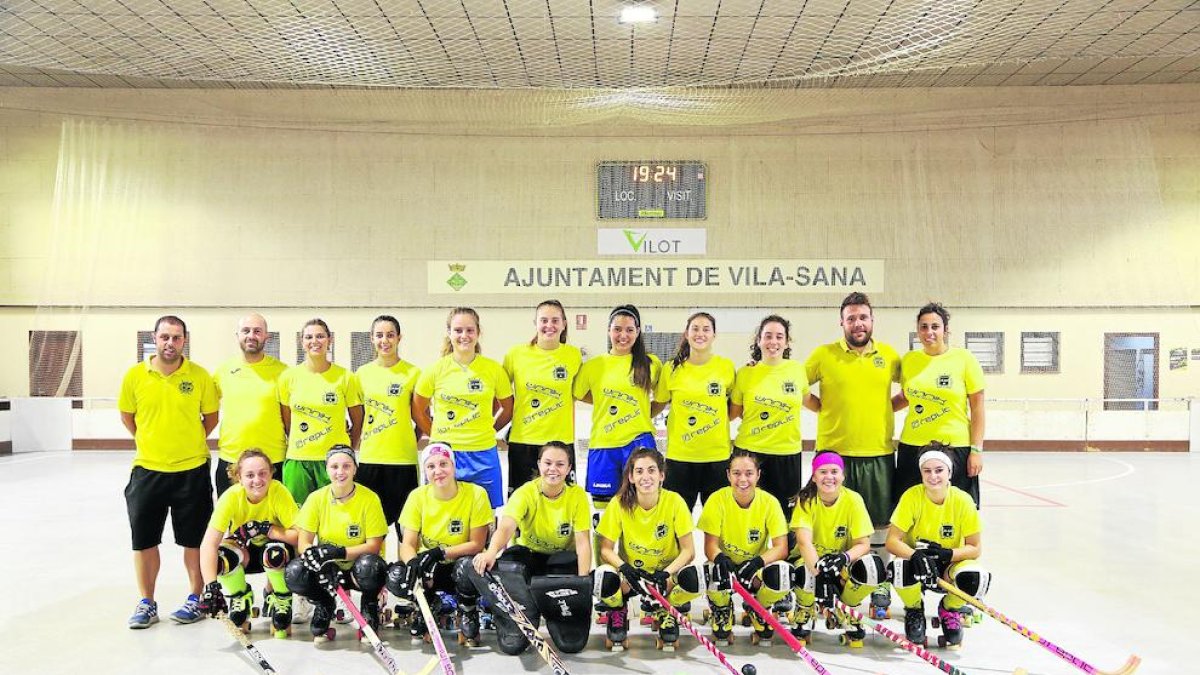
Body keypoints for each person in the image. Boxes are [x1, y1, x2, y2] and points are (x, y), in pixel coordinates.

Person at [803, 292, 902, 618]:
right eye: (851, 318)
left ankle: (879, 586)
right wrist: (822, 408)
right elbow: (793, 384)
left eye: (863, 317)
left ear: (872, 320)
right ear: (841, 322)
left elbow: (913, 388)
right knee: (826, 524)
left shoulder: (888, 356)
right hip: (833, 455)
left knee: (879, 525)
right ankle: (823, 583)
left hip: (878, 452)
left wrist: (887, 408)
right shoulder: (824, 354)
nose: (857, 324)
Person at [119, 315, 219, 629]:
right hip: (148, 471)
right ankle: (147, 602)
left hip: (192, 471)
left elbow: (211, 419)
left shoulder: (200, 376)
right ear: (154, 338)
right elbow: (128, 417)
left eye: (176, 338)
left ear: (184, 340)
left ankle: (195, 597)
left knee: (194, 541)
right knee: (144, 540)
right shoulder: (134, 376)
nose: (170, 343)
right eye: (165, 337)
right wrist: (153, 444)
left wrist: (185, 443)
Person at [468, 441, 593, 654]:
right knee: (513, 646)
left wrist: (583, 583)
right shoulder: (525, 492)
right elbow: (506, 526)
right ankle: (526, 609)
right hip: (529, 556)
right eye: (548, 463)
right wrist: (490, 552)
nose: (553, 469)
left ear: (569, 468)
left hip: (559, 560)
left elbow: (583, 542)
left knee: (571, 645)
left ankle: (554, 612)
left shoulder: (577, 496)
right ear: (539, 464)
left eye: (560, 464)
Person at [594, 448, 702, 651]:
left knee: (697, 578)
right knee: (602, 578)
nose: (646, 477)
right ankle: (618, 610)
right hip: (633, 577)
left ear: (661, 475)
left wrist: (666, 573)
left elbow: (689, 551)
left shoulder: (675, 501)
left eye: (651, 470)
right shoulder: (619, 504)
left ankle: (668, 609)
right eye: (640, 471)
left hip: (664, 577)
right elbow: (606, 550)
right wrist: (625, 568)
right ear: (631, 477)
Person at [385, 443, 491, 646]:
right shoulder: (417, 497)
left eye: (443, 464)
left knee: (467, 566)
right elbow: (407, 544)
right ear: (425, 471)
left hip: (460, 567)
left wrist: (440, 552)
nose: (438, 471)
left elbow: (477, 544)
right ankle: (428, 604)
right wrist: (412, 562)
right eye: (431, 466)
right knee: (397, 576)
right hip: (430, 569)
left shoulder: (476, 494)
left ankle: (468, 610)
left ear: (453, 466)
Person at [886, 445, 989, 649]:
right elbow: (892, 541)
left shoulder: (963, 500)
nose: (933, 476)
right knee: (898, 568)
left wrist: (948, 553)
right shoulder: (912, 496)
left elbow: (975, 548)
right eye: (927, 471)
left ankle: (950, 609)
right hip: (918, 566)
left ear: (949, 472)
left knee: (977, 578)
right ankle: (915, 610)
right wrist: (915, 556)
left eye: (939, 470)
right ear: (921, 473)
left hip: (949, 566)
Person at [283, 445, 389, 643]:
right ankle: (324, 603)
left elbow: (374, 545)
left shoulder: (369, 499)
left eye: (346, 466)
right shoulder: (316, 498)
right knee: (295, 572)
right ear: (327, 469)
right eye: (334, 467)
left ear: (355, 469)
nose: (340, 472)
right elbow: (303, 542)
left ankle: (369, 606)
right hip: (329, 570)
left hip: (358, 569)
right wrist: (320, 561)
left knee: (371, 567)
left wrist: (338, 552)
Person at [413, 307, 514, 509]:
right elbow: (417, 409)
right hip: (445, 454)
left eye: (469, 330)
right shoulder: (435, 370)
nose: (464, 336)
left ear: (478, 332)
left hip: (483, 452)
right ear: (449, 333)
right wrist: (436, 434)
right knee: (444, 513)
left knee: (486, 515)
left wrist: (488, 429)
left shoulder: (494, 369)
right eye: (458, 330)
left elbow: (508, 408)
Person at [788, 451, 886, 648]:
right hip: (812, 561)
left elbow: (863, 544)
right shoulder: (806, 500)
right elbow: (804, 542)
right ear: (814, 477)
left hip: (841, 562)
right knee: (804, 572)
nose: (829, 477)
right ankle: (805, 610)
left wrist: (843, 557)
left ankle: (848, 609)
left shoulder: (853, 499)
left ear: (843, 475)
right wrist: (820, 573)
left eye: (834, 471)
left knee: (872, 567)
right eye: (823, 472)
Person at [197, 449, 300, 638]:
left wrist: (268, 529)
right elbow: (208, 545)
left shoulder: (278, 492)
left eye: (263, 473)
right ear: (239, 477)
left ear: (271, 473)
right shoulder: (230, 497)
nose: (257, 480)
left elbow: (299, 536)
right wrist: (211, 586)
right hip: (244, 553)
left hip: (272, 553)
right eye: (250, 475)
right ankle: (240, 597)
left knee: (275, 552)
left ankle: (281, 599)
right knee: (221, 558)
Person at [894, 303, 986, 507]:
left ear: (946, 330)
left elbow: (978, 408)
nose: (929, 332)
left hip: (954, 446)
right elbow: (907, 396)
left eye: (935, 326)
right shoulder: (909, 360)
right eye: (924, 327)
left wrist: (976, 451)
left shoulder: (964, 359)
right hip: (912, 445)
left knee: (955, 509)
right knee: (911, 509)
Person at [574, 305, 663, 508]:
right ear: (608, 330)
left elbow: (662, 397)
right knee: (602, 512)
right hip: (603, 445)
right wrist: (604, 402)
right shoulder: (593, 366)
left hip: (639, 443)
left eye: (630, 330)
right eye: (617, 329)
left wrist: (643, 415)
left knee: (643, 508)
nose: (623, 335)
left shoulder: (651, 364)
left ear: (638, 332)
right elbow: (578, 394)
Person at [698, 450, 790, 646]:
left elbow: (781, 548)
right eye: (737, 473)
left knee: (782, 572)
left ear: (758, 474)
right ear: (728, 475)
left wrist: (757, 562)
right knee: (712, 570)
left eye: (748, 473)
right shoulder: (716, 499)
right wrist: (722, 559)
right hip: (727, 565)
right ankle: (722, 610)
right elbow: (710, 547)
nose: (742, 479)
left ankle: (759, 607)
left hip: (755, 567)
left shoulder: (770, 502)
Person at [278, 318, 364, 506]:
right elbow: (287, 421)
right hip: (299, 460)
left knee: (334, 518)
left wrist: (347, 450)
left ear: (329, 340)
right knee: (297, 520)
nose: (314, 341)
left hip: (333, 461)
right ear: (302, 342)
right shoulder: (288, 378)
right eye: (309, 337)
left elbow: (358, 420)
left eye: (320, 336)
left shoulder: (345, 377)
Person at [730, 315, 807, 518]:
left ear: (787, 342)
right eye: (768, 336)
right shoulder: (745, 373)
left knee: (786, 518)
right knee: (747, 515)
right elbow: (734, 413)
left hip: (787, 454)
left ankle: (786, 551)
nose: (773, 342)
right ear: (759, 340)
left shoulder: (797, 370)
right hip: (750, 452)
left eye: (779, 336)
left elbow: (810, 400)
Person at [656, 312, 735, 511]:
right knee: (675, 522)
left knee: (718, 524)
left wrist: (714, 424)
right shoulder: (671, 369)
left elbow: (736, 404)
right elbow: (659, 402)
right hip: (680, 457)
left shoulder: (725, 367)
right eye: (695, 329)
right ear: (687, 333)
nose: (700, 334)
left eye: (706, 329)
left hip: (717, 457)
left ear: (714, 335)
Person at [502, 299, 582, 496]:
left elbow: (581, 392)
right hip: (524, 441)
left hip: (561, 442)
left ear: (564, 324)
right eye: (544, 320)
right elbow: (499, 394)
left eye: (555, 320)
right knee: (521, 505)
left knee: (562, 503)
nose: (549, 325)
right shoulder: (516, 354)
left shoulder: (573, 355)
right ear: (535, 323)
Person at [354, 315, 421, 538]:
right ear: (372, 339)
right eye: (379, 335)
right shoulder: (361, 374)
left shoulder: (413, 373)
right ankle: (373, 572)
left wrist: (410, 438)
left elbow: (420, 417)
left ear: (399, 338)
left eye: (390, 335)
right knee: (372, 530)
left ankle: (404, 572)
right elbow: (359, 416)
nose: (385, 340)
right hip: (370, 460)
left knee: (406, 529)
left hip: (403, 460)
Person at [212, 313, 287, 496]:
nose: (251, 335)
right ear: (237, 335)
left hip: (272, 460)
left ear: (266, 336)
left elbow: (291, 418)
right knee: (232, 522)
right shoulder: (223, 371)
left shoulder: (283, 372)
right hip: (232, 458)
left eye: (257, 331)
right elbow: (208, 412)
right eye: (246, 331)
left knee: (274, 522)